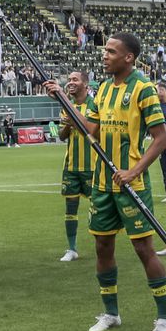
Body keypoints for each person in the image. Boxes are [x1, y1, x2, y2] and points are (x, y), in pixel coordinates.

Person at [42, 33, 166, 331]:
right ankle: (111, 313)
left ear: (128, 57)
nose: (105, 56)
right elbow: (91, 129)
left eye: (112, 52)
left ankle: (165, 318)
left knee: (144, 249)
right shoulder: (102, 89)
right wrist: (61, 98)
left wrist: (133, 171)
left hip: (131, 184)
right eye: (105, 51)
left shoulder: (142, 89)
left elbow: (161, 139)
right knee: (103, 246)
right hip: (102, 182)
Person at [53, 71, 92, 262]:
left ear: (85, 83)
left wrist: (77, 124)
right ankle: (72, 248)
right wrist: (68, 125)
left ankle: (103, 244)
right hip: (71, 166)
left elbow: (93, 131)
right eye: (68, 80)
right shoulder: (66, 106)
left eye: (75, 79)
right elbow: (61, 136)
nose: (70, 82)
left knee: (99, 208)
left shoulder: (94, 105)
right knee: (70, 208)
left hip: (92, 166)